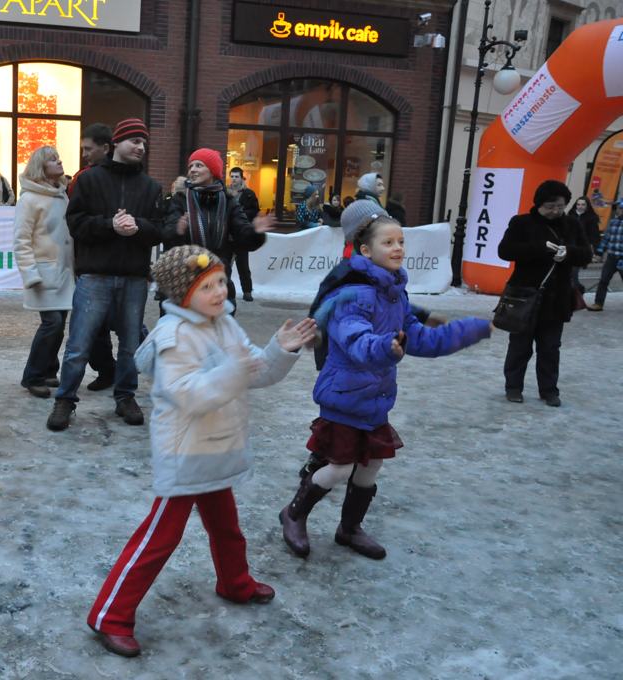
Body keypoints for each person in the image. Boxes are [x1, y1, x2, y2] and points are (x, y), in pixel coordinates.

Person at [86, 245, 317, 658]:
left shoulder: (225, 324)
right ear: (180, 294)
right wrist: (234, 371)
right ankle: (110, 615)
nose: (218, 292)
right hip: (186, 450)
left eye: (221, 282)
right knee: (160, 537)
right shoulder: (174, 336)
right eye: (206, 286)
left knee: (227, 527)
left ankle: (234, 582)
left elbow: (255, 373)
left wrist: (280, 348)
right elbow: (187, 394)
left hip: (218, 445)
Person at [280, 214, 493, 561]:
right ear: (365, 249)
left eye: (401, 241)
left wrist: (471, 330)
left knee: (371, 465)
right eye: (388, 242)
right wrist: (385, 347)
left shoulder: (395, 294)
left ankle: (349, 528)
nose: (397, 248)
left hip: (374, 398)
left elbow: (421, 339)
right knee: (340, 467)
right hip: (344, 396)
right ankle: (293, 513)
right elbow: (355, 341)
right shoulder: (352, 295)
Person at [47, 117, 163, 431]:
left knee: (129, 344)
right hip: (95, 275)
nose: (141, 146)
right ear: (117, 144)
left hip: (134, 278)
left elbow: (158, 230)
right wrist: (109, 225)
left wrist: (138, 226)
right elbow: (76, 223)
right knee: (79, 343)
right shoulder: (88, 180)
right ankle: (65, 399)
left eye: (143, 142)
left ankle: (125, 396)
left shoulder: (151, 187)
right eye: (135, 141)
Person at [498, 180, 591, 406]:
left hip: (557, 297)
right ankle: (513, 387)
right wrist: (540, 248)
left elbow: (586, 254)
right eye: (550, 206)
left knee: (550, 347)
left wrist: (567, 253)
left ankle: (549, 390)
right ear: (539, 204)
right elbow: (505, 251)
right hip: (525, 295)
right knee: (519, 345)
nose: (555, 211)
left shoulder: (572, 225)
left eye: (560, 206)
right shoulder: (521, 223)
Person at [165, 149, 272, 310]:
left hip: (218, 281)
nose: (192, 169)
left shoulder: (229, 202)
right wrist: (177, 230)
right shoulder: (180, 200)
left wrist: (255, 233)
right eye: (191, 166)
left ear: (213, 171)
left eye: (199, 165)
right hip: (185, 283)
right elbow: (167, 234)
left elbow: (243, 238)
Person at [13, 146, 72, 398]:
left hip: (64, 273)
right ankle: (32, 375)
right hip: (43, 274)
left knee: (59, 325)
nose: (59, 162)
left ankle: (49, 370)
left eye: (58, 157)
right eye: (52, 159)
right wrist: (30, 274)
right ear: (41, 166)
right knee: (52, 324)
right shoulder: (29, 198)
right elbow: (21, 239)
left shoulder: (62, 195)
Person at [71, 122, 117, 392]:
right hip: (90, 261)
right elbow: (77, 220)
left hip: (116, 264)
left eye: (89, 149)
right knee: (96, 324)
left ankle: (120, 371)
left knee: (121, 324)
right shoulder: (83, 177)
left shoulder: (124, 179)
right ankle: (107, 369)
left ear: (105, 148)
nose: (85, 153)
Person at [228, 167, 260, 302]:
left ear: (242, 178)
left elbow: (255, 211)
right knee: (225, 265)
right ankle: (225, 290)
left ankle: (247, 291)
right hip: (228, 235)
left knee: (243, 266)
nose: (234, 179)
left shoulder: (249, 194)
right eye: (232, 176)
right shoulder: (225, 193)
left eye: (236, 176)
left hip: (241, 235)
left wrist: (241, 215)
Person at [588, 199, 623, 311]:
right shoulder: (613, 222)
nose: (617, 210)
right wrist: (599, 252)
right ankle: (598, 303)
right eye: (617, 208)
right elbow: (606, 239)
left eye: (620, 208)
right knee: (603, 280)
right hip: (612, 257)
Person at [567, 195, 599, 289]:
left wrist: (593, 250)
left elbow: (594, 235)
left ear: (587, 206)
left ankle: (578, 293)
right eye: (578, 204)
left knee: (574, 273)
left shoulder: (591, 218)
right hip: (569, 247)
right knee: (569, 274)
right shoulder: (571, 215)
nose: (580, 206)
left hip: (581, 249)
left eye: (583, 205)